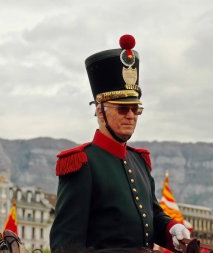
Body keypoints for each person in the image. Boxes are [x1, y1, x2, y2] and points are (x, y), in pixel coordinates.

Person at [49, 34, 190, 252]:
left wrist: (172, 228)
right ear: (100, 110)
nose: (131, 115)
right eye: (123, 109)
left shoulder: (139, 160)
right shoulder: (82, 162)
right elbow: (65, 245)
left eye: (136, 109)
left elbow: (152, 216)